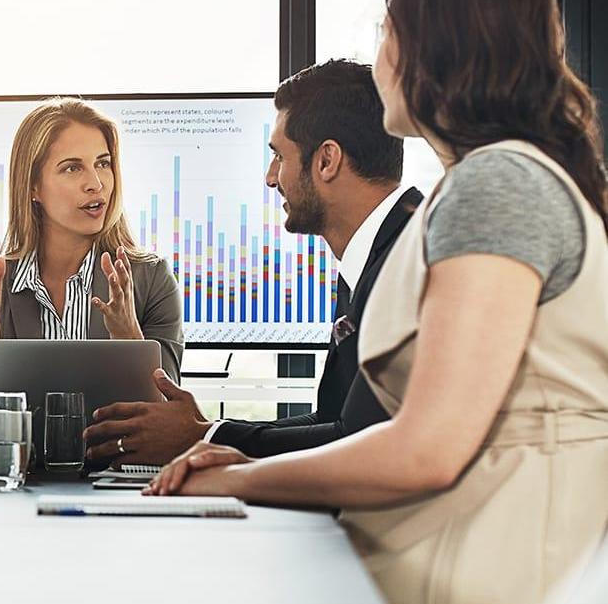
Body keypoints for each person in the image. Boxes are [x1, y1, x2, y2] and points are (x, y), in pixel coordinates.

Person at [149, 0, 608, 604]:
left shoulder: (497, 185)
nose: (379, 56)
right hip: (513, 581)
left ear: (432, 46)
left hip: (489, 597)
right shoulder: (509, 177)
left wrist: (242, 480)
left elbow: (426, 449)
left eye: (386, 32)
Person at [84, 60, 421, 465]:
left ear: (327, 161)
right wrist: (207, 431)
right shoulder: (380, 253)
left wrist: (202, 437)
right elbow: (335, 421)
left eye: (279, 155)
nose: (270, 176)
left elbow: (358, 444)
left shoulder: (405, 264)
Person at [0, 98, 184, 380]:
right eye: (72, 168)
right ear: (32, 186)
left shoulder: (151, 281)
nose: (96, 184)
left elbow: (169, 417)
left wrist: (129, 338)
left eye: (103, 163)